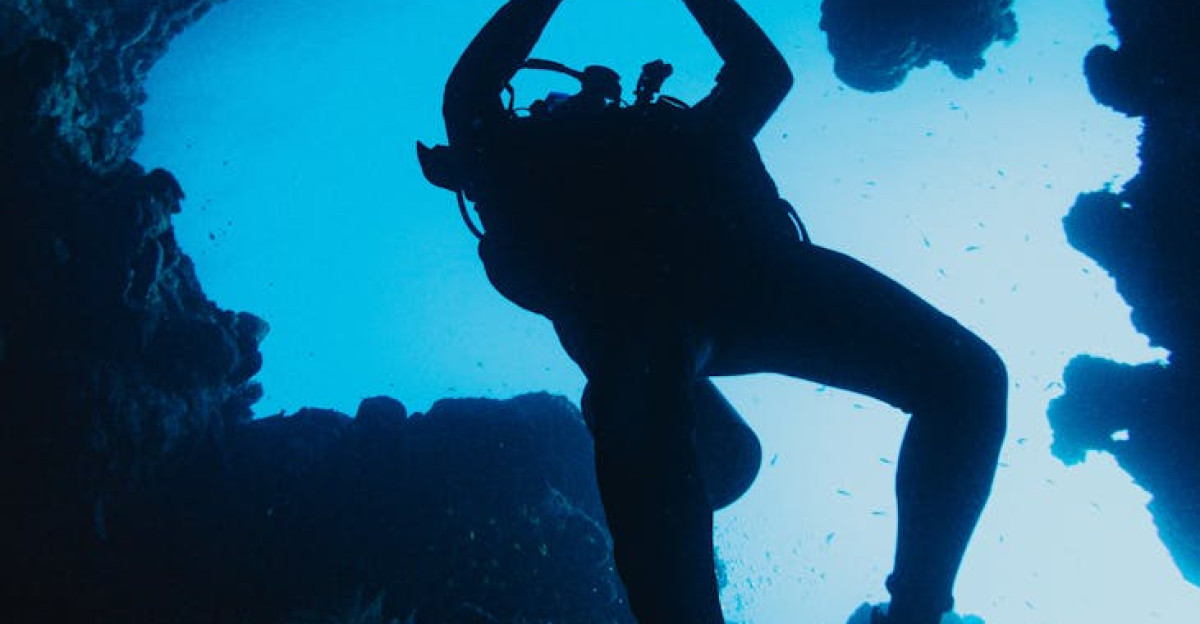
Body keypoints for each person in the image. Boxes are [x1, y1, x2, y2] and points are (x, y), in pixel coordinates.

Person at [422, 1, 1008, 623]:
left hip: (707, 298)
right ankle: (912, 606)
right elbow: (762, 75)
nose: (570, 105)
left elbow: (766, 75)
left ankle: (915, 612)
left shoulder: (638, 141)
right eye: (552, 105)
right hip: (719, 294)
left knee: (965, 380)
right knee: (962, 380)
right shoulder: (550, 152)